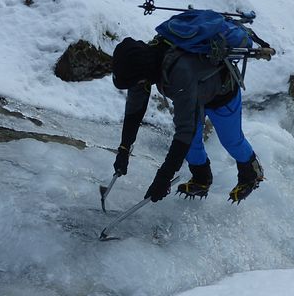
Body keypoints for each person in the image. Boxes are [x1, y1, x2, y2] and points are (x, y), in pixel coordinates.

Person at [111, 36, 264, 203]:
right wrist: (124, 148)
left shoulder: (178, 71)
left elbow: (185, 131)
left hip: (222, 95)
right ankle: (201, 178)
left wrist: (164, 176)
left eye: (138, 81)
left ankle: (251, 173)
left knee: (231, 140)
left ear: (144, 74)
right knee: (191, 146)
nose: (138, 84)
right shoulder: (142, 64)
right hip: (193, 97)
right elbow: (135, 108)